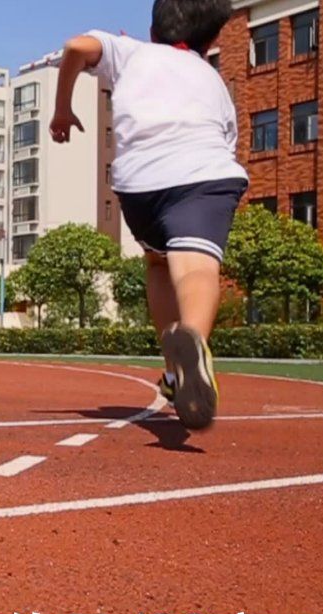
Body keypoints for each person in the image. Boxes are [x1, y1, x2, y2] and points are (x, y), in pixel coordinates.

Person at [51, 0, 247, 430]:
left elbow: (74, 47)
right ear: (212, 38)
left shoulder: (130, 51)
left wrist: (62, 107)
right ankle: (192, 339)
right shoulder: (213, 81)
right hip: (205, 173)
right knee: (196, 266)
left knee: (158, 262)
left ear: (153, 25)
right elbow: (226, 138)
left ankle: (175, 370)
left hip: (139, 184)